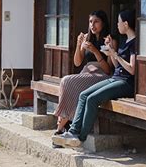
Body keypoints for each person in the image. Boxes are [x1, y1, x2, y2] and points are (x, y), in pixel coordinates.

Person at [52, 9, 136, 148]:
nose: (92, 24)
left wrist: (110, 53)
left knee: (90, 97)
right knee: (84, 95)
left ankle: (79, 136)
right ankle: (72, 131)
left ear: (126, 24)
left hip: (122, 80)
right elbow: (114, 66)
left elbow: (130, 69)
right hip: (114, 77)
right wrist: (81, 45)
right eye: (90, 21)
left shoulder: (131, 42)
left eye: (96, 21)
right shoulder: (124, 40)